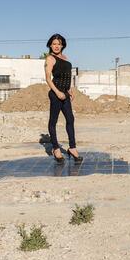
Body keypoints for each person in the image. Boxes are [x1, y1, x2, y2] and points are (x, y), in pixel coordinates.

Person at [44, 33, 83, 163]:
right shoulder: (50, 58)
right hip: (56, 94)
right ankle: (55, 148)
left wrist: (70, 89)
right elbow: (48, 78)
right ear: (50, 45)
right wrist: (57, 92)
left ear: (62, 45)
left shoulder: (65, 58)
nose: (56, 46)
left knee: (70, 119)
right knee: (53, 121)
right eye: (54, 44)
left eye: (59, 44)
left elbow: (67, 76)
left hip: (65, 93)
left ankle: (72, 148)